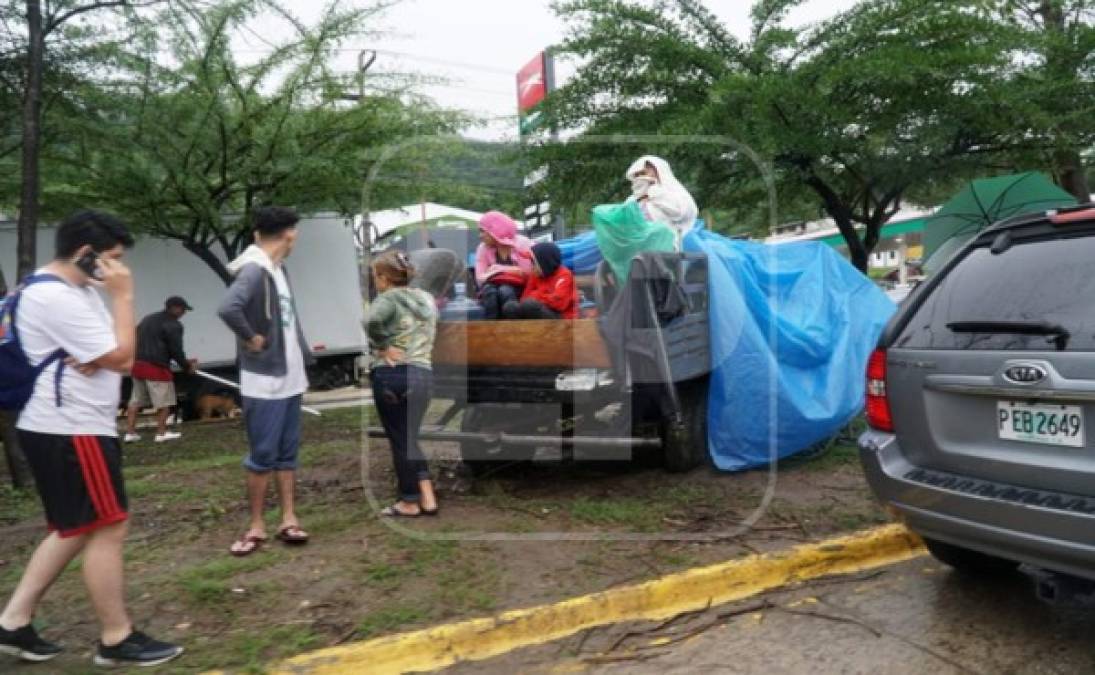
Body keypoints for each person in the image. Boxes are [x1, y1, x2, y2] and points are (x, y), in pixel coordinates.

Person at [0, 210, 183, 667]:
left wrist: (101, 350)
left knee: (74, 528)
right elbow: (123, 358)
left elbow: (107, 351)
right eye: (113, 259)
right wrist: (124, 298)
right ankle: (116, 637)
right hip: (72, 429)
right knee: (109, 525)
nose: (118, 269)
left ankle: (12, 622)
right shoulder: (57, 297)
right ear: (86, 255)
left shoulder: (62, 290)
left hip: (62, 425)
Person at [217, 207, 314, 556]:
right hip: (265, 382)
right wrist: (251, 337)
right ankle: (256, 525)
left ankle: (289, 518)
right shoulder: (255, 270)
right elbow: (229, 307)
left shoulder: (277, 269)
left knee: (286, 455)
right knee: (262, 456)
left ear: (258, 235)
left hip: (290, 377)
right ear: (290, 234)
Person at [366, 250, 439, 517]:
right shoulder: (427, 299)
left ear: (385, 277)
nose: (375, 281)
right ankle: (428, 497)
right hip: (423, 374)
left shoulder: (389, 298)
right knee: (410, 437)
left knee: (400, 440)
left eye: (376, 276)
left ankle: (409, 501)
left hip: (393, 376)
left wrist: (383, 347)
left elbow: (371, 320)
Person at [123, 296, 198, 443]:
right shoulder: (174, 325)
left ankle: (130, 433)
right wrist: (187, 366)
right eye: (183, 309)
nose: (184, 313)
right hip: (156, 368)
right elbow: (176, 350)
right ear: (174, 308)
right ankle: (161, 433)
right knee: (164, 402)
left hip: (138, 365)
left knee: (135, 401)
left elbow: (135, 338)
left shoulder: (148, 319)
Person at [625, 156, 699, 250]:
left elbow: (681, 213)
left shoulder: (674, 194)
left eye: (643, 173)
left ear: (658, 172)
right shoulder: (631, 200)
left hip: (665, 253)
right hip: (636, 253)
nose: (641, 178)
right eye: (637, 175)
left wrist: (654, 192)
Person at [474, 211, 533, 319]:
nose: (480, 236)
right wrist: (512, 270)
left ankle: (512, 327)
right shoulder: (482, 248)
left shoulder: (523, 244)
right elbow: (480, 279)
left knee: (505, 290)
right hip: (492, 287)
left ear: (495, 230)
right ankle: (491, 330)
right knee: (489, 291)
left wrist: (497, 269)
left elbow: (529, 274)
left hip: (521, 289)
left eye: (483, 231)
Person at [502, 242, 579, 320]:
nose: (531, 267)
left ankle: (532, 330)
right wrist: (541, 296)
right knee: (510, 307)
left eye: (533, 263)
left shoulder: (565, 275)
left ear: (544, 262)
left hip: (562, 318)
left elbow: (559, 303)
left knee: (529, 305)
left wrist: (536, 295)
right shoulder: (535, 275)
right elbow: (524, 298)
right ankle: (523, 331)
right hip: (539, 310)